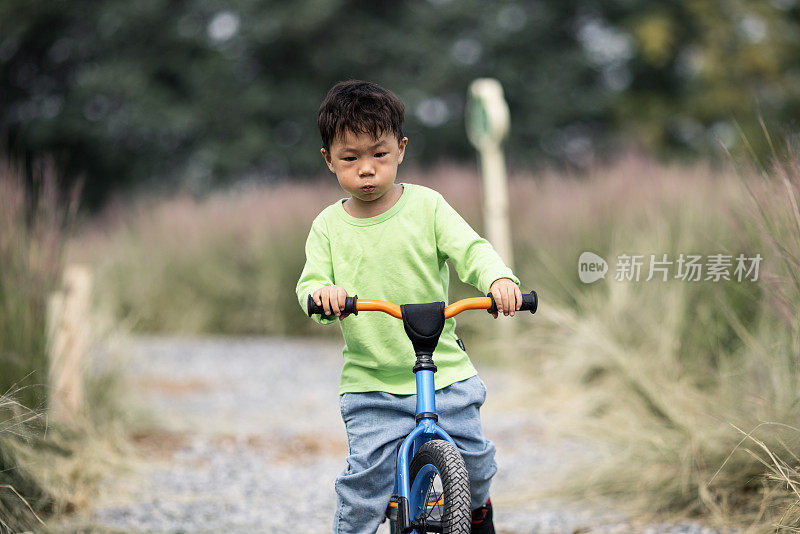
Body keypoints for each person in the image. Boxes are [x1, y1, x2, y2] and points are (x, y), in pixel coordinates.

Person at [296, 79, 522, 534]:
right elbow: (312, 283)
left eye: (379, 154)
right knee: (363, 489)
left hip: (446, 372)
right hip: (372, 384)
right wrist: (325, 296)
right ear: (328, 160)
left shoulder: (428, 207)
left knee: (475, 464)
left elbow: (471, 250)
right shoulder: (328, 227)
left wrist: (497, 279)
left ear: (400, 149)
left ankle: (477, 514)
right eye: (350, 158)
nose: (366, 170)